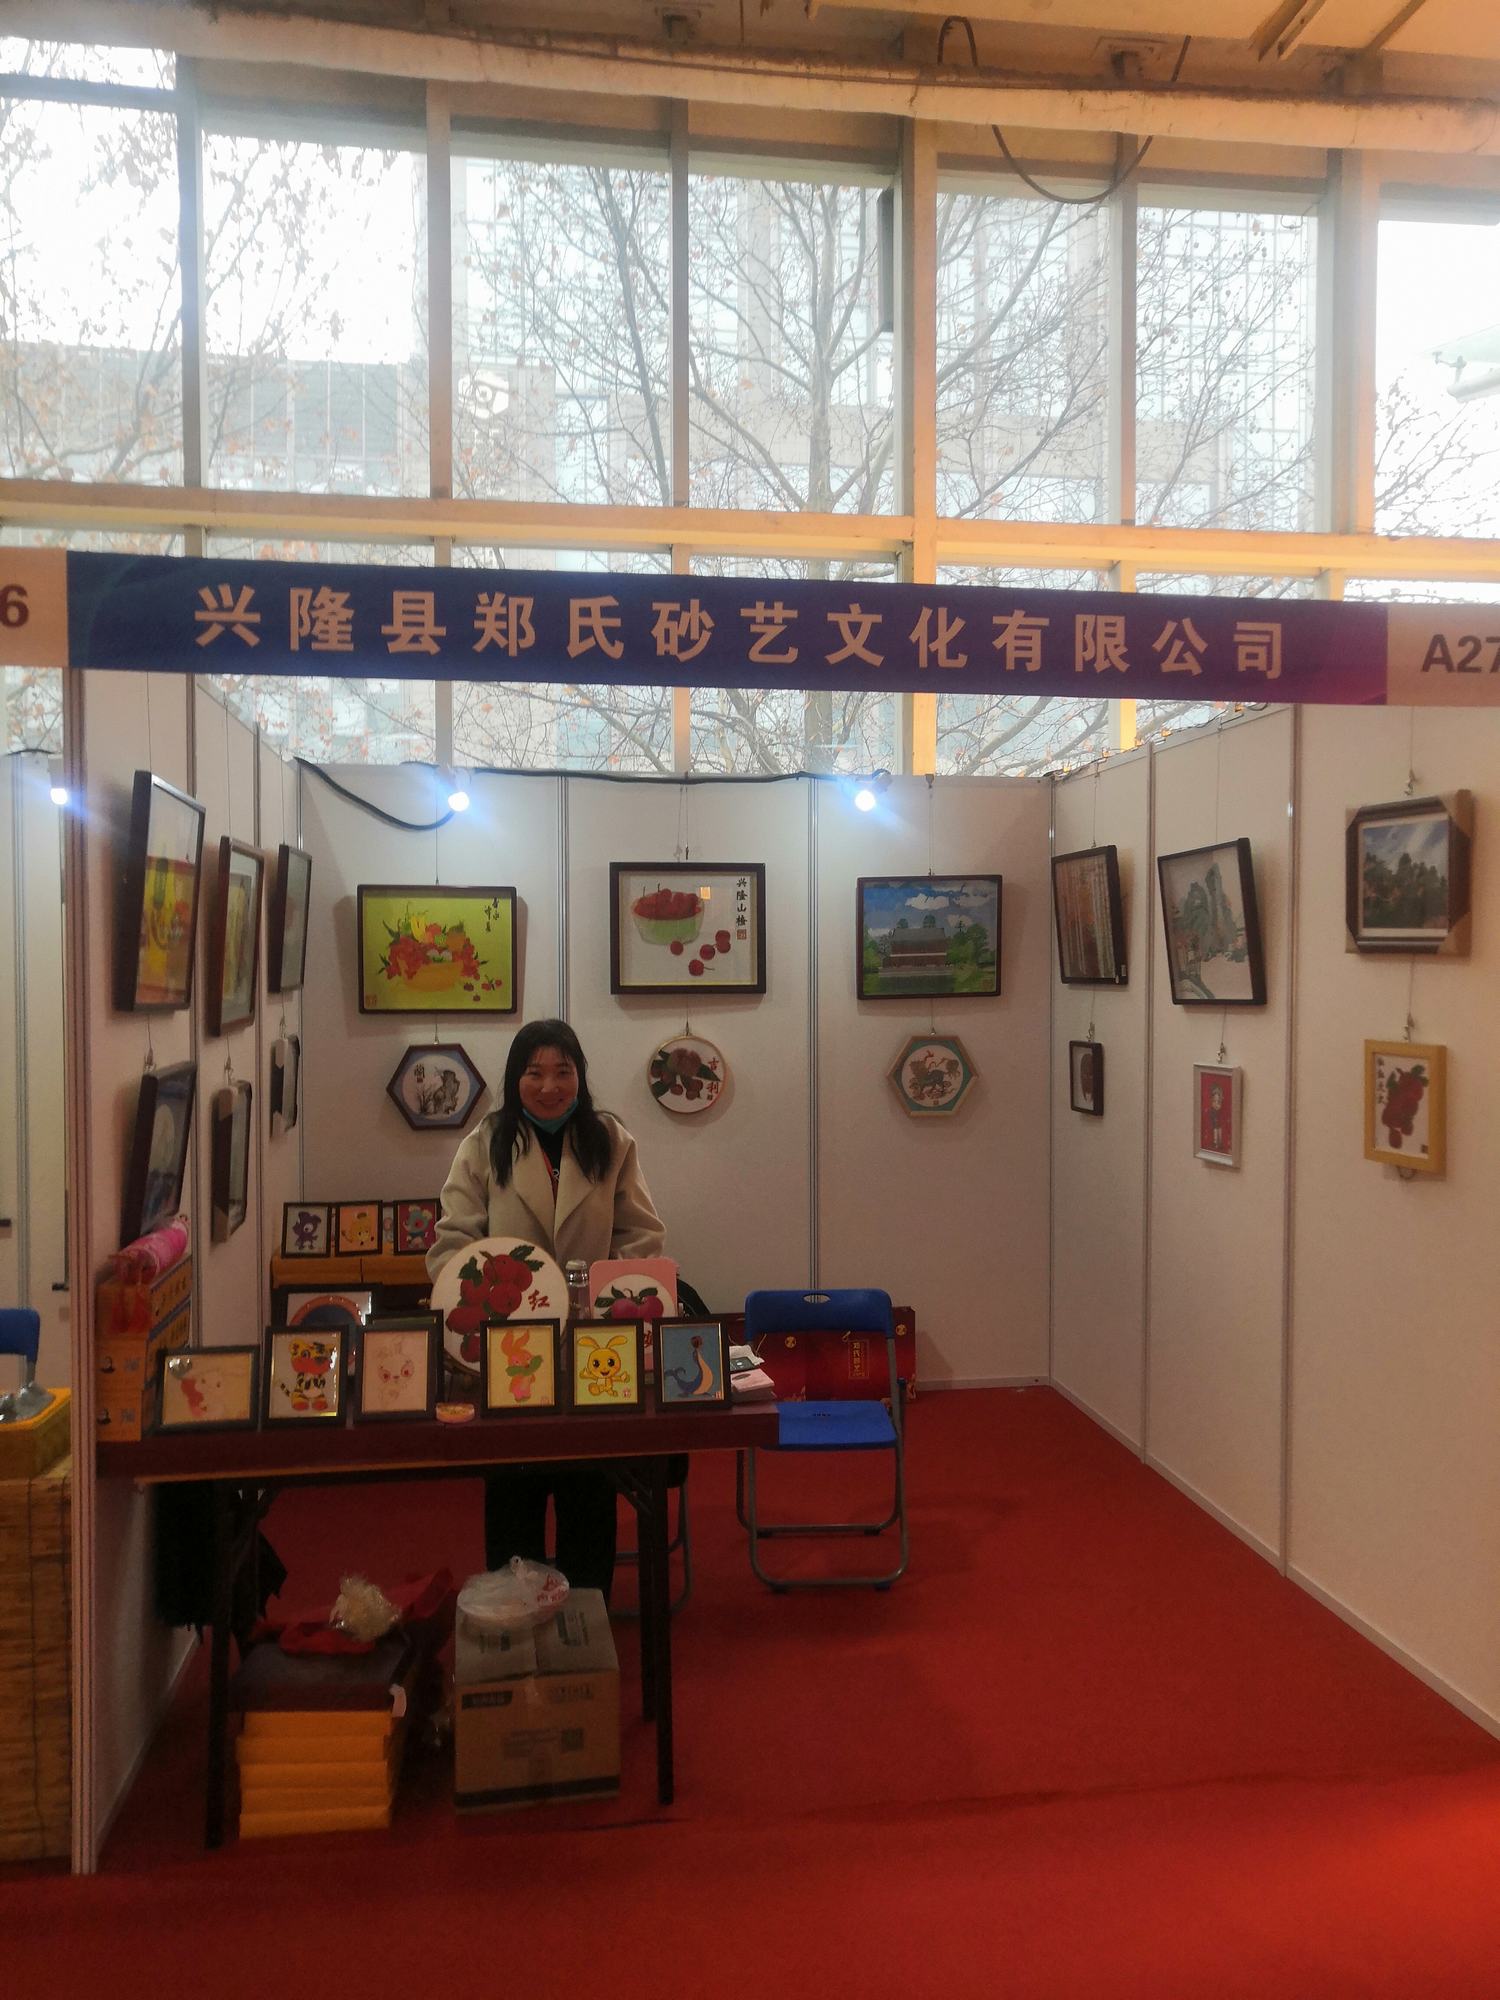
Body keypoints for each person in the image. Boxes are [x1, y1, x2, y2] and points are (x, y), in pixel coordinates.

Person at [427, 1019, 665, 1599]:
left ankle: (587, 1616)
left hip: (594, 1345)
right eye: (535, 1072)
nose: (550, 1086)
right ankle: (515, 1615)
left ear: (580, 1076)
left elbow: (641, 1235)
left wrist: (605, 1291)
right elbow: (452, 1241)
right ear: (516, 1078)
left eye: (563, 1071)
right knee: (514, 1492)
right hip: (508, 1346)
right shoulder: (486, 1141)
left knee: (590, 1490)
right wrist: (478, 1298)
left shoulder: (609, 1139)